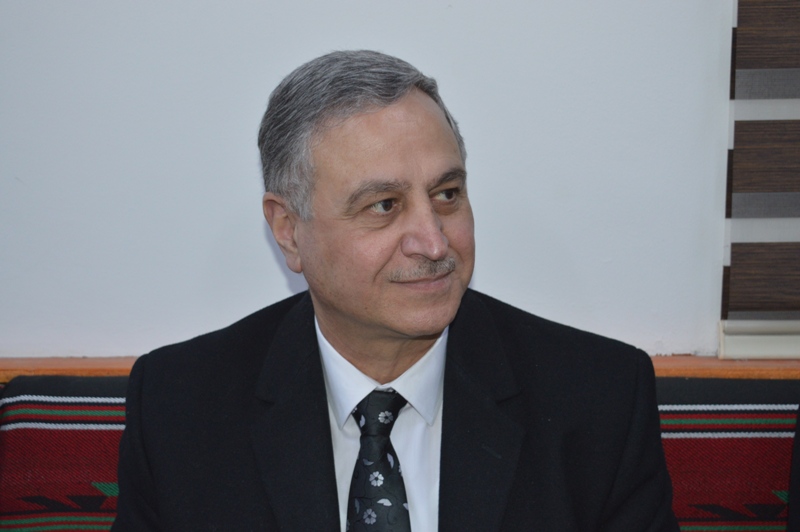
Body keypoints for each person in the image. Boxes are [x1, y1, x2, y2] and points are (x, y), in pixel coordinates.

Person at [112, 50, 678, 531]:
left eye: (447, 195)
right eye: (383, 206)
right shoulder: (180, 408)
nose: (434, 242)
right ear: (288, 230)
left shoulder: (598, 399)